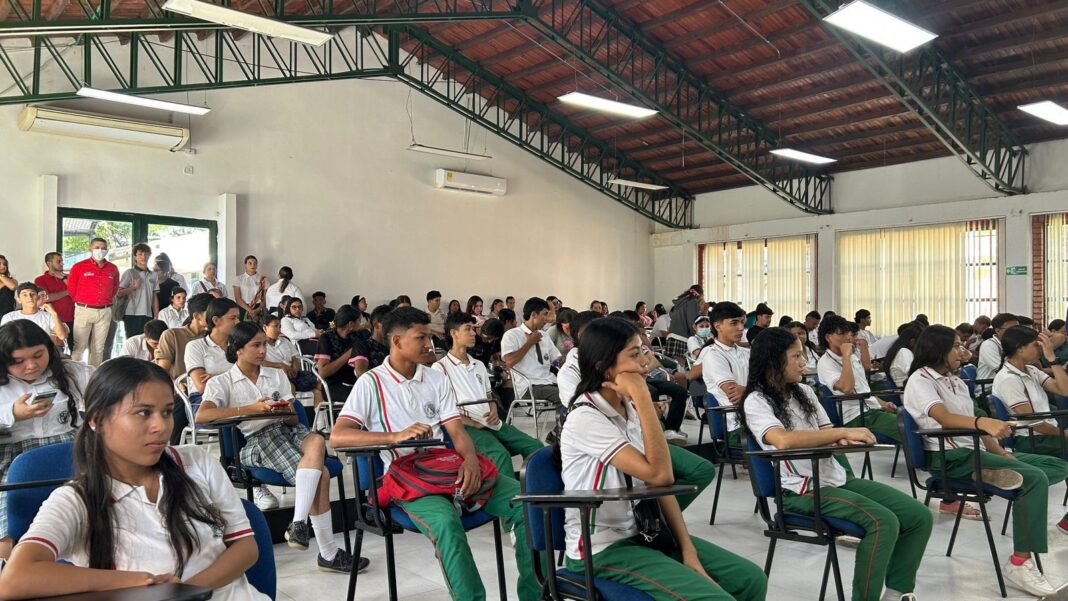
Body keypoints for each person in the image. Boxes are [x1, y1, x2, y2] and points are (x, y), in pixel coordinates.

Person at [0, 357, 267, 600]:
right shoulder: (78, 499)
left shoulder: (195, 461)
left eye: (166, 412)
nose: (161, 427)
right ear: (97, 419)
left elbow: (245, 545)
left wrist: (183, 593)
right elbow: (14, 580)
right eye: (143, 413)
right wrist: (139, 582)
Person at [330, 307, 540, 601]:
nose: (430, 344)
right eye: (421, 337)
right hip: (409, 479)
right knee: (446, 524)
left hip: (447, 467)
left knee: (528, 504)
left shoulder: (436, 379)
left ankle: (534, 595)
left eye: (430, 336)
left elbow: (457, 433)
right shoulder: (372, 383)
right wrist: (395, 437)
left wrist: (469, 461)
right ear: (397, 341)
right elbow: (339, 437)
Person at [560, 317, 766, 601]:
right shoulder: (586, 416)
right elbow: (660, 475)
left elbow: (658, 486)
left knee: (749, 580)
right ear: (603, 367)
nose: (646, 363)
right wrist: (643, 397)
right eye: (634, 355)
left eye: (643, 351)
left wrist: (687, 550)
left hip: (644, 531)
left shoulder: (626, 408)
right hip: (603, 548)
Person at [743, 327, 931, 601]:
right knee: (883, 522)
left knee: (919, 517)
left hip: (835, 478)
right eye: (796, 356)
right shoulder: (756, 401)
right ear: (773, 360)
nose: (803, 362)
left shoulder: (804, 392)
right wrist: (842, 433)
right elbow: (782, 440)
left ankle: (897, 592)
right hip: (801, 491)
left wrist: (845, 441)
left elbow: (826, 431)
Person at [904, 325, 1068, 597]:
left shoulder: (954, 380)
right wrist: (984, 423)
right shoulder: (921, 380)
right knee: (1034, 479)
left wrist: (1002, 453)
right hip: (951, 457)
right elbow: (944, 418)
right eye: (956, 346)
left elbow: (979, 429)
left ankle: (996, 473)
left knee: (1057, 466)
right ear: (938, 350)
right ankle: (1019, 561)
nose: (962, 350)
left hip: (976, 453)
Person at [196, 322, 362, 573]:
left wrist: (285, 411)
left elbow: (295, 420)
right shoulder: (223, 382)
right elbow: (203, 416)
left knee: (317, 439)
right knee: (322, 474)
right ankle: (326, 552)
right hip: (260, 438)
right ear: (238, 349)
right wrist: (251, 410)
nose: (263, 351)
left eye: (264, 344)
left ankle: (299, 524)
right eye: (256, 345)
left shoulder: (274, 375)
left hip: (288, 429)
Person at [0, 320, 92, 558]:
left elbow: (107, 389)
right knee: (9, 534)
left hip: (69, 452)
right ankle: (31, 563)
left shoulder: (70, 372)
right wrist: (12, 414)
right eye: (18, 361)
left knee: (87, 520)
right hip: (11, 461)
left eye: (38, 355)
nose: (31, 366)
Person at [433, 312, 543, 481]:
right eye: (468, 329)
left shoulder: (479, 365)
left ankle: (535, 490)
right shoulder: (440, 368)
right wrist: (472, 422)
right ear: (454, 333)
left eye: (473, 329)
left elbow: (489, 395)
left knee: (535, 446)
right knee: (500, 455)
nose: (473, 333)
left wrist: (493, 410)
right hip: (467, 427)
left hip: (490, 422)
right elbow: (443, 410)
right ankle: (510, 502)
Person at [816, 314, 901, 444]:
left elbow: (863, 389)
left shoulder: (852, 356)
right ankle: (925, 463)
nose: (848, 338)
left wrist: (882, 404)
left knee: (911, 419)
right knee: (907, 427)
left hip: (871, 409)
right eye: (842, 334)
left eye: (848, 333)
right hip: (856, 416)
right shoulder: (825, 363)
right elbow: (847, 388)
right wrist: (845, 356)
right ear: (828, 337)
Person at [993, 325, 1068, 456]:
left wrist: (1052, 359)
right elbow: (1032, 422)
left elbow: (1064, 390)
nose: (1041, 349)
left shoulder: (1031, 370)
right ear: (1020, 348)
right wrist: (1062, 433)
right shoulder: (1008, 379)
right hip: (1029, 438)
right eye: (1036, 345)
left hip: (1045, 433)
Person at [699, 301, 749, 448]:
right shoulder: (713, 355)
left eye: (742, 322)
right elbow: (733, 392)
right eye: (734, 323)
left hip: (756, 417)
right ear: (717, 326)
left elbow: (769, 383)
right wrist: (759, 389)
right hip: (737, 426)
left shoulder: (746, 353)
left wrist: (747, 390)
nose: (741, 328)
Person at [68, 238, 119, 367]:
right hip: (84, 310)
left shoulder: (112, 269)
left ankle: (93, 376)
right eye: (97, 247)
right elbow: (71, 289)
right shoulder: (79, 267)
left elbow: (114, 289)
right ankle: (75, 375)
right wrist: (84, 301)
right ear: (90, 248)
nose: (100, 250)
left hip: (105, 311)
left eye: (103, 248)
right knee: (79, 346)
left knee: (98, 348)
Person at [500, 297, 561, 403]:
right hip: (530, 386)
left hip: (550, 381)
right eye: (545, 314)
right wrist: (529, 343)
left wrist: (562, 360)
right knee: (567, 396)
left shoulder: (544, 335)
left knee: (576, 392)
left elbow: (556, 359)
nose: (546, 319)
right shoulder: (512, 335)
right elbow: (509, 362)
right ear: (534, 315)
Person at [184, 298, 241, 395]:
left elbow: (252, 376)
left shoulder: (240, 345)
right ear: (216, 320)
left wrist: (216, 377)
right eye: (232, 318)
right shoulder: (195, 346)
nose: (237, 322)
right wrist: (236, 378)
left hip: (237, 395)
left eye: (238, 317)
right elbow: (203, 387)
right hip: (204, 398)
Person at [314, 304, 366, 405]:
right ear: (351, 324)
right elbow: (323, 372)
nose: (360, 324)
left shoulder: (357, 337)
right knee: (361, 398)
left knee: (375, 393)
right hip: (333, 385)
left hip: (354, 382)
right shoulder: (326, 338)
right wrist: (349, 354)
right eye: (359, 321)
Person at [2, 282, 69, 347]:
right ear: (18, 299)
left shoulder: (48, 316)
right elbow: (4, 340)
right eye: (24, 295)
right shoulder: (9, 317)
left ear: (37, 297)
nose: (30, 297)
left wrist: (54, 313)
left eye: (33, 294)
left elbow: (62, 336)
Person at [116, 243, 159, 339]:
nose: (143, 257)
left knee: (147, 342)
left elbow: (154, 296)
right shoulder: (129, 273)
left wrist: (156, 316)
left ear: (149, 255)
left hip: (148, 314)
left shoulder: (153, 275)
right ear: (135, 256)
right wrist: (133, 287)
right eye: (140, 254)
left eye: (146, 254)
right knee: (132, 342)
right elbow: (119, 293)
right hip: (132, 314)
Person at [34, 252, 75, 346]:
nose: (62, 263)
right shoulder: (40, 279)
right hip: (53, 320)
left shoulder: (68, 277)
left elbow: (76, 293)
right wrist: (67, 292)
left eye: (62, 261)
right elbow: (46, 298)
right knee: (54, 348)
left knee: (74, 347)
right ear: (49, 263)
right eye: (59, 261)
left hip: (73, 319)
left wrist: (64, 279)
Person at [978, 313, 1020, 380]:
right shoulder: (988, 345)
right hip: (988, 386)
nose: (1016, 332)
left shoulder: (1013, 344)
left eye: (1018, 329)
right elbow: (1002, 370)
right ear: (998, 330)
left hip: (1008, 382)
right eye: (1012, 329)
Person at [232, 255, 267, 322]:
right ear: (245, 265)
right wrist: (250, 311)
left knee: (257, 330)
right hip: (243, 308)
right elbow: (237, 298)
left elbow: (265, 299)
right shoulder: (238, 279)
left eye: (255, 263)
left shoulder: (263, 279)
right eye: (250, 263)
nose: (253, 265)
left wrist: (257, 310)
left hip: (258, 309)